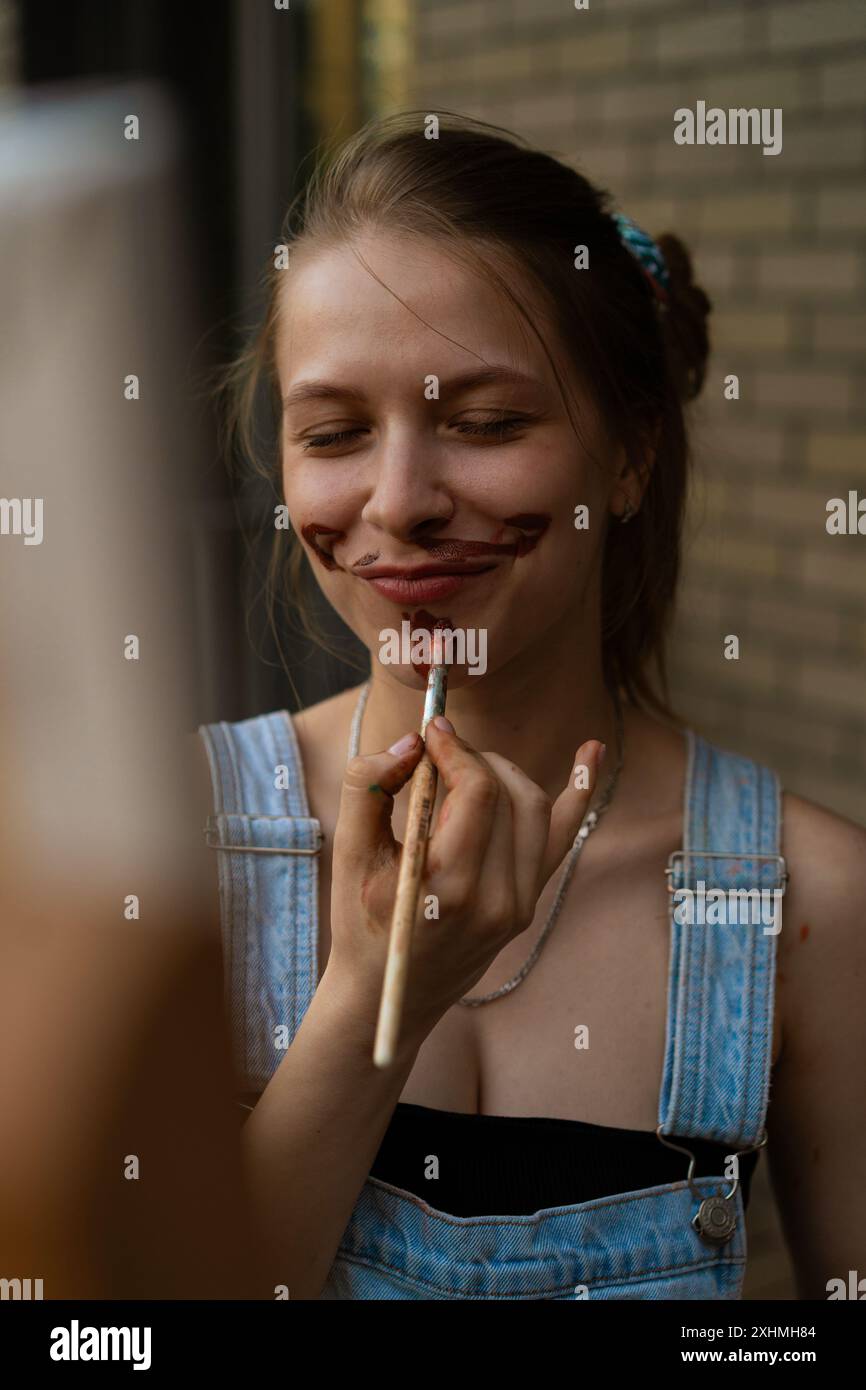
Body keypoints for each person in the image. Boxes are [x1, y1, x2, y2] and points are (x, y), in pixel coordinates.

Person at [195, 111, 866, 1300]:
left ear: (628, 457)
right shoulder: (163, 845)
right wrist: (369, 1005)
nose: (398, 501)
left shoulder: (808, 906)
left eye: (486, 424)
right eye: (334, 433)